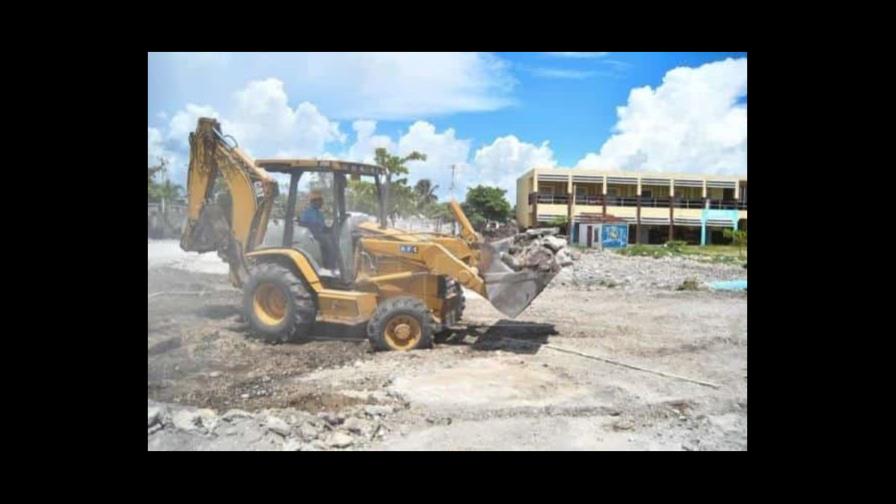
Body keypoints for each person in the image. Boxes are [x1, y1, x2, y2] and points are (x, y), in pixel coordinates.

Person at [299, 191, 339, 271]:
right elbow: (303, 224)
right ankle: (331, 266)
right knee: (329, 242)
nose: (322, 203)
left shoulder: (319, 213)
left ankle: (331, 263)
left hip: (319, 234)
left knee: (334, 238)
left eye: (321, 200)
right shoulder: (308, 212)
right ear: (314, 201)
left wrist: (331, 229)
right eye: (320, 200)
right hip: (312, 234)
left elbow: (323, 226)